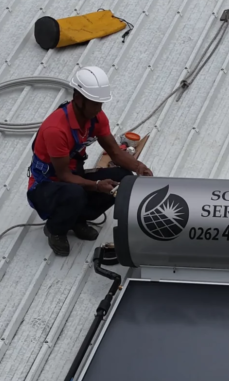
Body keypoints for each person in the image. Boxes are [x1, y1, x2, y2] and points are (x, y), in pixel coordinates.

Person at [26, 65, 152, 257]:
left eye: (101, 103)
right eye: (95, 103)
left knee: (124, 178)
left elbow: (115, 153)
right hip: (46, 187)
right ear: (78, 99)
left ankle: (76, 219)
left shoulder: (96, 117)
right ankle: (55, 229)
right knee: (75, 193)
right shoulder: (56, 130)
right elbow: (63, 176)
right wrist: (97, 185)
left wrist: (139, 168)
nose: (99, 109)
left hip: (73, 179)